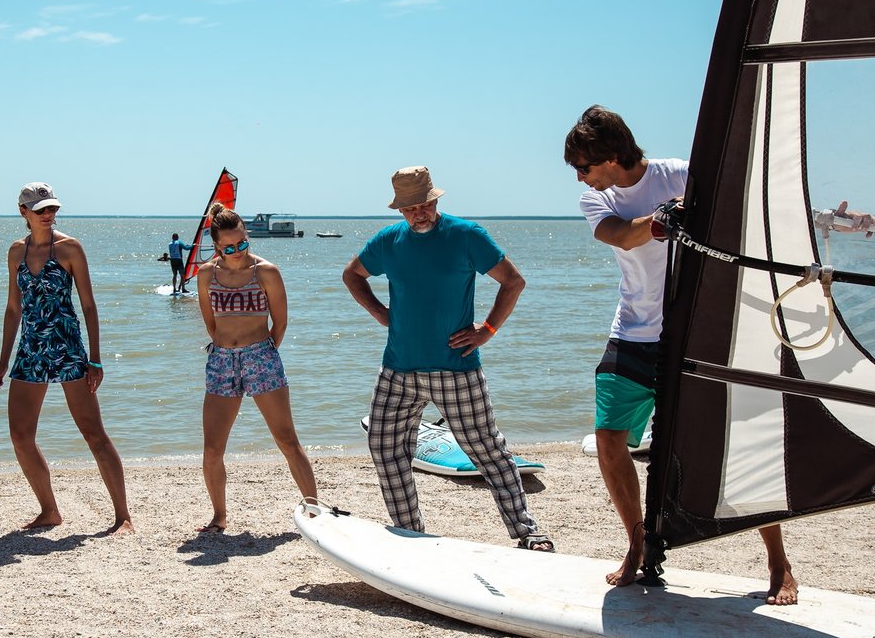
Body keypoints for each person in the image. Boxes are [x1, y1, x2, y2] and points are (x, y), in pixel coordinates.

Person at [566, 104, 799, 603]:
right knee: (609, 440)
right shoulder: (597, 199)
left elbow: (745, 207)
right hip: (632, 332)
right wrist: (660, 219)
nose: (579, 177)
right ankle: (639, 543)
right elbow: (620, 236)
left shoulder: (676, 175)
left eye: (584, 166)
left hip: (696, 334)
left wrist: (819, 221)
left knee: (737, 443)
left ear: (610, 155)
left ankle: (778, 562)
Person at [342, 167, 553, 551]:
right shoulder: (388, 241)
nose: (418, 213)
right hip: (397, 369)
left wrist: (487, 330)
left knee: (486, 450)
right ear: (399, 210)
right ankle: (410, 532)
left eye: (424, 205)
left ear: (436, 201)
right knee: (384, 448)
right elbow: (352, 275)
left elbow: (513, 280)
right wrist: (381, 314)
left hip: (455, 368)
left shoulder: (466, 235)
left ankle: (528, 533)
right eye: (409, 208)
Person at [0, 182, 133, 532]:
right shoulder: (15, 252)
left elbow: (88, 305)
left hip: (68, 348)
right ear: (23, 212)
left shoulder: (69, 249)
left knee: (93, 433)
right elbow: (13, 309)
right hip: (30, 350)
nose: (49, 215)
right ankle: (49, 510)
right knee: (20, 436)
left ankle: (122, 516)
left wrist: (95, 358)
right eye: (41, 210)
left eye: (52, 208)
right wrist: (3, 360)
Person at [195, 202, 317, 533]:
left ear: (248, 236)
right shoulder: (206, 274)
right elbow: (210, 321)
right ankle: (219, 517)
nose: (237, 252)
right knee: (212, 448)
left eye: (242, 243)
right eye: (229, 247)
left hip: (261, 356)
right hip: (221, 360)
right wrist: (226, 346)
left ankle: (315, 512)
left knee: (287, 439)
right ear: (217, 246)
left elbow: (280, 322)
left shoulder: (267, 272)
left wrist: (260, 351)